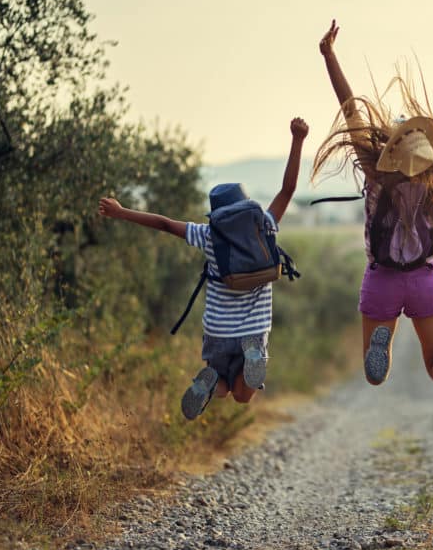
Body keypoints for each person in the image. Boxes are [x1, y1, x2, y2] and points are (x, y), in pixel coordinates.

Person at [313, 19, 433, 428]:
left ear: (387, 147)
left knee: (374, 374)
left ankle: (382, 347)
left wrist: (330, 57)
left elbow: (350, 108)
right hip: (424, 278)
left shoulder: (376, 177)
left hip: (382, 276)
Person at [98, 117, 309, 419]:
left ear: (217, 215)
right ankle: (251, 355)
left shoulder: (208, 235)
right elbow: (287, 190)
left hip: (218, 331)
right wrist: (297, 139)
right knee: (243, 397)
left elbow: (164, 223)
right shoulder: (264, 226)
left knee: (222, 385)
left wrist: (121, 212)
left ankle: (210, 384)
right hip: (254, 329)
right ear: (246, 206)